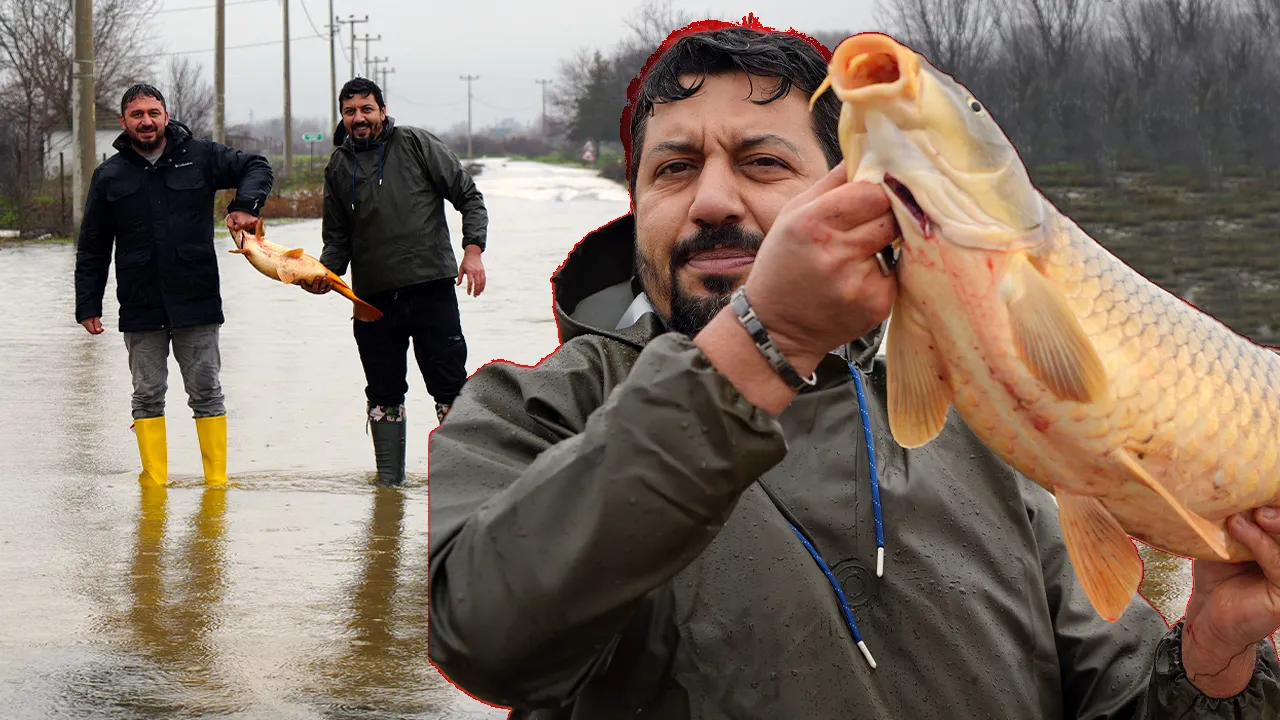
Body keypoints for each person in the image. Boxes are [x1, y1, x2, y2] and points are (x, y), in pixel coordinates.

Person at [424, 17, 1280, 718]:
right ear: (637, 201)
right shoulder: (528, 410)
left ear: (851, 188)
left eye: (762, 163)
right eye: (674, 170)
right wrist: (769, 338)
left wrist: (1210, 657)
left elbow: (1119, 699)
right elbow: (486, 635)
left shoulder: (979, 423)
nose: (713, 201)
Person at [74, 83, 273, 490]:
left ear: (166, 115)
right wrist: (87, 304)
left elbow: (257, 165)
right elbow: (93, 245)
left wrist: (244, 205)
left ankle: (216, 487)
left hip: (196, 298)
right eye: (137, 115)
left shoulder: (200, 157)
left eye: (153, 113)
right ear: (124, 121)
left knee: (207, 392)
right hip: (140, 303)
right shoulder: (109, 175)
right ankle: (155, 489)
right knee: (147, 395)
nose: (146, 121)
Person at [306, 77, 489, 486]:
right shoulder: (337, 166)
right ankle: (389, 488)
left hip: (431, 291)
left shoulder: (415, 144)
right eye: (350, 111)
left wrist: (473, 249)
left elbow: (468, 195)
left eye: (367, 109)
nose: (359, 118)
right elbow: (336, 240)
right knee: (383, 393)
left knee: (449, 387)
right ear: (342, 116)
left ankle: (463, 482)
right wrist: (324, 276)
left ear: (382, 111)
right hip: (371, 301)